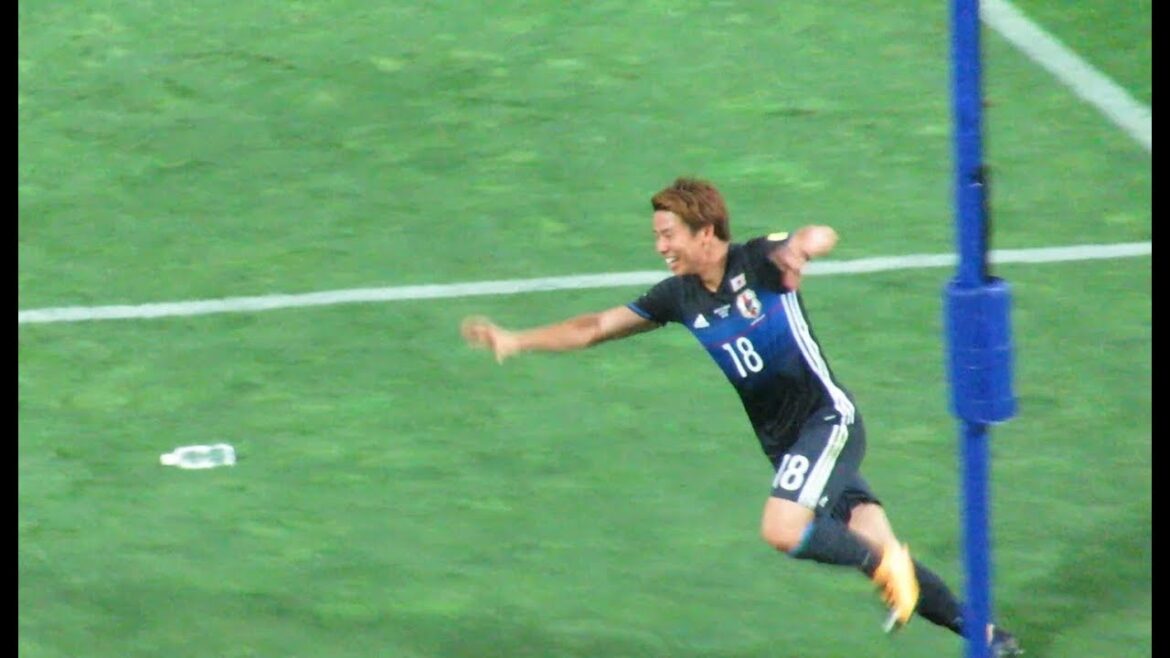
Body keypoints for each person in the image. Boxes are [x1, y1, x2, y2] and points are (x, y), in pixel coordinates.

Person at [461, 177, 1021, 655]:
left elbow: (814, 235)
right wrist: (518, 339)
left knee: (786, 530)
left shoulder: (760, 260)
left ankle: (894, 572)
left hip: (827, 423)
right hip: (787, 447)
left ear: (705, 232)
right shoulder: (678, 297)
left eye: (667, 234)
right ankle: (987, 637)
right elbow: (593, 328)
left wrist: (802, 250)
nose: (659, 246)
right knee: (879, 550)